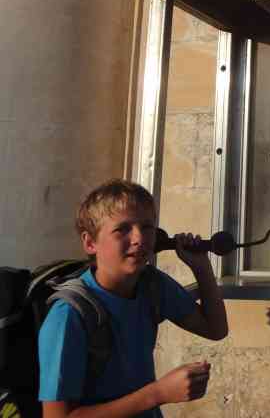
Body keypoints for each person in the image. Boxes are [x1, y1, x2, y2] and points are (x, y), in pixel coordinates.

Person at [38, 179, 229, 418]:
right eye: (122, 229)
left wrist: (201, 267)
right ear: (90, 242)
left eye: (147, 227)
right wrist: (158, 393)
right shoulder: (69, 315)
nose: (139, 238)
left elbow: (215, 329)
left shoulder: (151, 285)